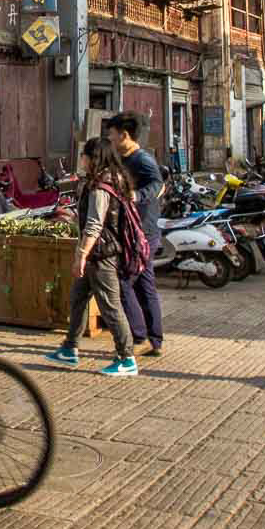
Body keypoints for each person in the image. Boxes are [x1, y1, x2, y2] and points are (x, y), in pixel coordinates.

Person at [46, 137, 138, 376]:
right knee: (78, 297)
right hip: (98, 253)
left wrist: (81, 255)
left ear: (93, 158)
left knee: (110, 306)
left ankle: (126, 358)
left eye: (84, 156)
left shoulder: (101, 187)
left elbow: (95, 224)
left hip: (101, 254)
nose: (82, 160)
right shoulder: (114, 179)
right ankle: (69, 348)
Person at [105, 112, 164, 356]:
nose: (110, 138)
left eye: (112, 134)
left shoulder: (142, 160)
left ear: (124, 135)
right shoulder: (124, 158)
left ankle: (140, 336)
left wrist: (137, 196)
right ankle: (153, 339)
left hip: (143, 232)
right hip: (136, 231)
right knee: (143, 283)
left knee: (124, 282)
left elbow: (158, 184)